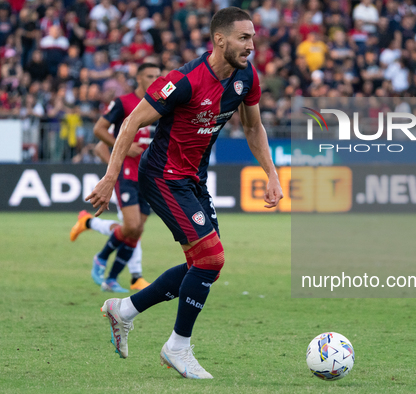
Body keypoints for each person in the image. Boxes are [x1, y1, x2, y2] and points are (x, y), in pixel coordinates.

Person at [86, 7, 283, 379]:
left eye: (253, 37)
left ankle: (124, 310)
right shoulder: (184, 80)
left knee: (205, 266)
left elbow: (254, 128)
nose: (251, 45)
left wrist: (271, 174)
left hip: (193, 179)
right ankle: (178, 347)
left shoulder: (246, 77)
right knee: (210, 259)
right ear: (219, 40)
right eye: (244, 38)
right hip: (161, 176)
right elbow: (130, 122)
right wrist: (110, 177)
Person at [72, 62, 161, 292]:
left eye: (158, 76)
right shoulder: (124, 103)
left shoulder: (162, 103)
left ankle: (111, 278)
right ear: (139, 78)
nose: (155, 79)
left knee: (137, 230)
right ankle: (101, 258)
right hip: (127, 174)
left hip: (150, 176)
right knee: (131, 225)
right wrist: (122, 146)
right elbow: (99, 131)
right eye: (150, 75)